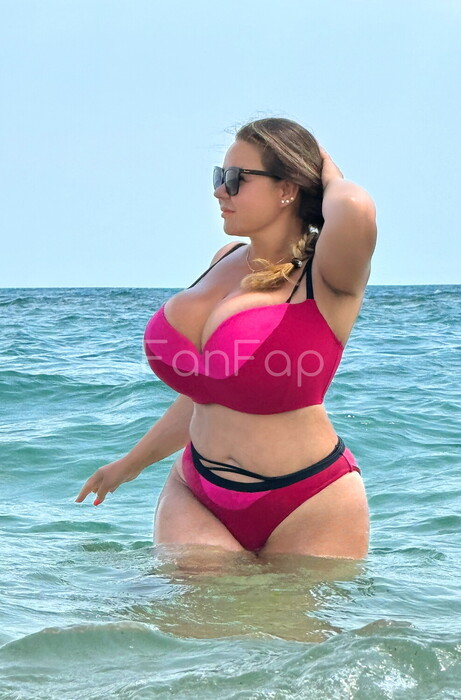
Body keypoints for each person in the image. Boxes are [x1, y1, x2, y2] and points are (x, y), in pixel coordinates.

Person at [76, 118, 377, 560]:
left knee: (289, 610)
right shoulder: (226, 258)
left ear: (286, 188)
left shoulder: (328, 275)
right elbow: (210, 392)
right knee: (169, 606)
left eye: (236, 179)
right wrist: (130, 464)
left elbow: (354, 206)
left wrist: (326, 173)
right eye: (219, 176)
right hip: (196, 488)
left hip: (309, 500)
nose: (220, 191)